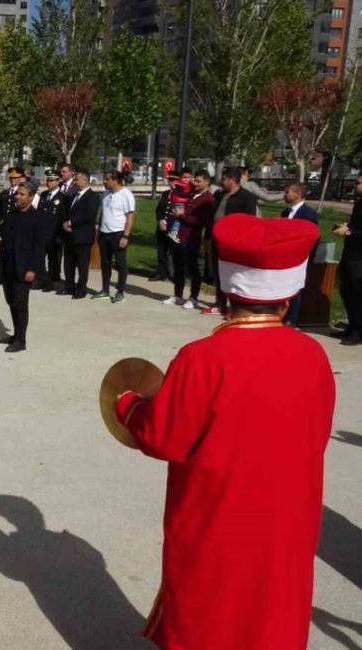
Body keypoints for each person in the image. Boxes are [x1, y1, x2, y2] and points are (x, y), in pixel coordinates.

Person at [112, 213, 332, 650]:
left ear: (227, 290)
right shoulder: (313, 354)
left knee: (210, 608)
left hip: (218, 512)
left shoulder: (202, 358)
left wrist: (127, 404)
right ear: (288, 296)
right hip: (287, 513)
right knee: (273, 607)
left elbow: (164, 437)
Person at [0, 180, 47, 353]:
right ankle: (16, 334)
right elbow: (5, 238)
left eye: (22, 194)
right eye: (17, 193)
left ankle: (21, 340)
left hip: (23, 269)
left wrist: (32, 269)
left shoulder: (37, 218)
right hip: (8, 266)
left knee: (20, 304)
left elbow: (39, 247)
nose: (17, 196)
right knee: (11, 302)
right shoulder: (11, 215)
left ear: (31, 197)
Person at [204, 168, 258, 316]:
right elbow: (212, 215)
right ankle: (220, 304)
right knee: (218, 271)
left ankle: (236, 307)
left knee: (234, 274)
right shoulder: (219, 195)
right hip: (216, 238)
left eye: (224, 179)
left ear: (232, 180)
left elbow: (250, 221)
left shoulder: (247, 197)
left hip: (234, 241)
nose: (221, 182)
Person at [161, 170, 212, 310]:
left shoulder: (207, 199)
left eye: (198, 181)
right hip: (179, 234)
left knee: (192, 268)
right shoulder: (192, 194)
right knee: (178, 267)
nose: (195, 183)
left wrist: (181, 216)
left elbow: (199, 221)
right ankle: (178, 295)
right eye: (194, 180)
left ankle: (193, 297)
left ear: (207, 182)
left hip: (191, 237)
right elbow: (179, 194)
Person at [281, 183, 320, 327]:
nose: (285, 194)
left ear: (298, 194)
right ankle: (283, 315)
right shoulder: (285, 212)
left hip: (300, 256)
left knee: (295, 288)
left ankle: (292, 319)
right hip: (285, 255)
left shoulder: (308, 214)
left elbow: (312, 237)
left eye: (288, 192)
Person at [94, 171, 136, 304]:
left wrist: (126, 236)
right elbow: (102, 213)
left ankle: (120, 291)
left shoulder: (126, 195)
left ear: (116, 180)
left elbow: (130, 217)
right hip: (104, 233)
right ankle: (105, 289)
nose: (104, 181)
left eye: (107, 179)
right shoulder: (105, 194)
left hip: (118, 233)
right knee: (105, 263)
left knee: (120, 263)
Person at [60, 170, 100, 299]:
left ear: (85, 180)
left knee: (82, 265)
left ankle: (81, 289)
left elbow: (89, 215)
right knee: (68, 263)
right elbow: (66, 211)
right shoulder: (73, 196)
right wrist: (65, 223)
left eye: (77, 180)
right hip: (69, 235)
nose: (75, 182)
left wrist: (71, 222)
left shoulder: (92, 197)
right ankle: (69, 286)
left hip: (83, 236)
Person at [333, 173, 362, 345]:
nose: (356, 185)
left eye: (359, 182)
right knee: (346, 292)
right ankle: (352, 326)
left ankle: (358, 332)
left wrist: (349, 232)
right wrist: (347, 226)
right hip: (350, 254)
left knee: (358, 295)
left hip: (360, 258)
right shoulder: (358, 203)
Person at [0, 167, 26, 285]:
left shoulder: (22, 193)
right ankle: (0, 277)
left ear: (20, 178)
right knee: (3, 253)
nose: (13, 180)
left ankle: (14, 277)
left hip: (16, 228)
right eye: (11, 178)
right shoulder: (5, 193)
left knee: (15, 253)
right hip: (5, 228)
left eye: (16, 178)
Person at [37, 170, 65, 292]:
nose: (49, 182)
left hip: (54, 234)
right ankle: (42, 280)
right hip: (42, 234)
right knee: (40, 258)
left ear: (58, 181)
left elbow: (62, 217)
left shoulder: (62, 197)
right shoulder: (43, 195)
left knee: (53, 260)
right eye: (48, 180)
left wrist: (60, 236)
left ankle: (51, 282)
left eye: (52, 180)